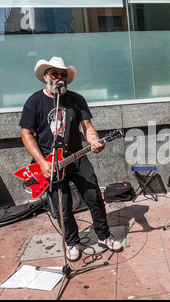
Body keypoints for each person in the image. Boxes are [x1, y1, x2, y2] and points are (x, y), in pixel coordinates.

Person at [19, 57, 123, 262]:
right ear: (45, 77)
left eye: (63, 74)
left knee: (94, 195)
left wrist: (94, 141)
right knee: (62, 205)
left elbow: (87, 126)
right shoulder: (34, 101)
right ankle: (73, 242)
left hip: (76, 157)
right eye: (55, 74)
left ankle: (104, 236)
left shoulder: (76, 99)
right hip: (49, 162)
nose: (59, 78)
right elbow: (26, 133)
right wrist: (41, 162)